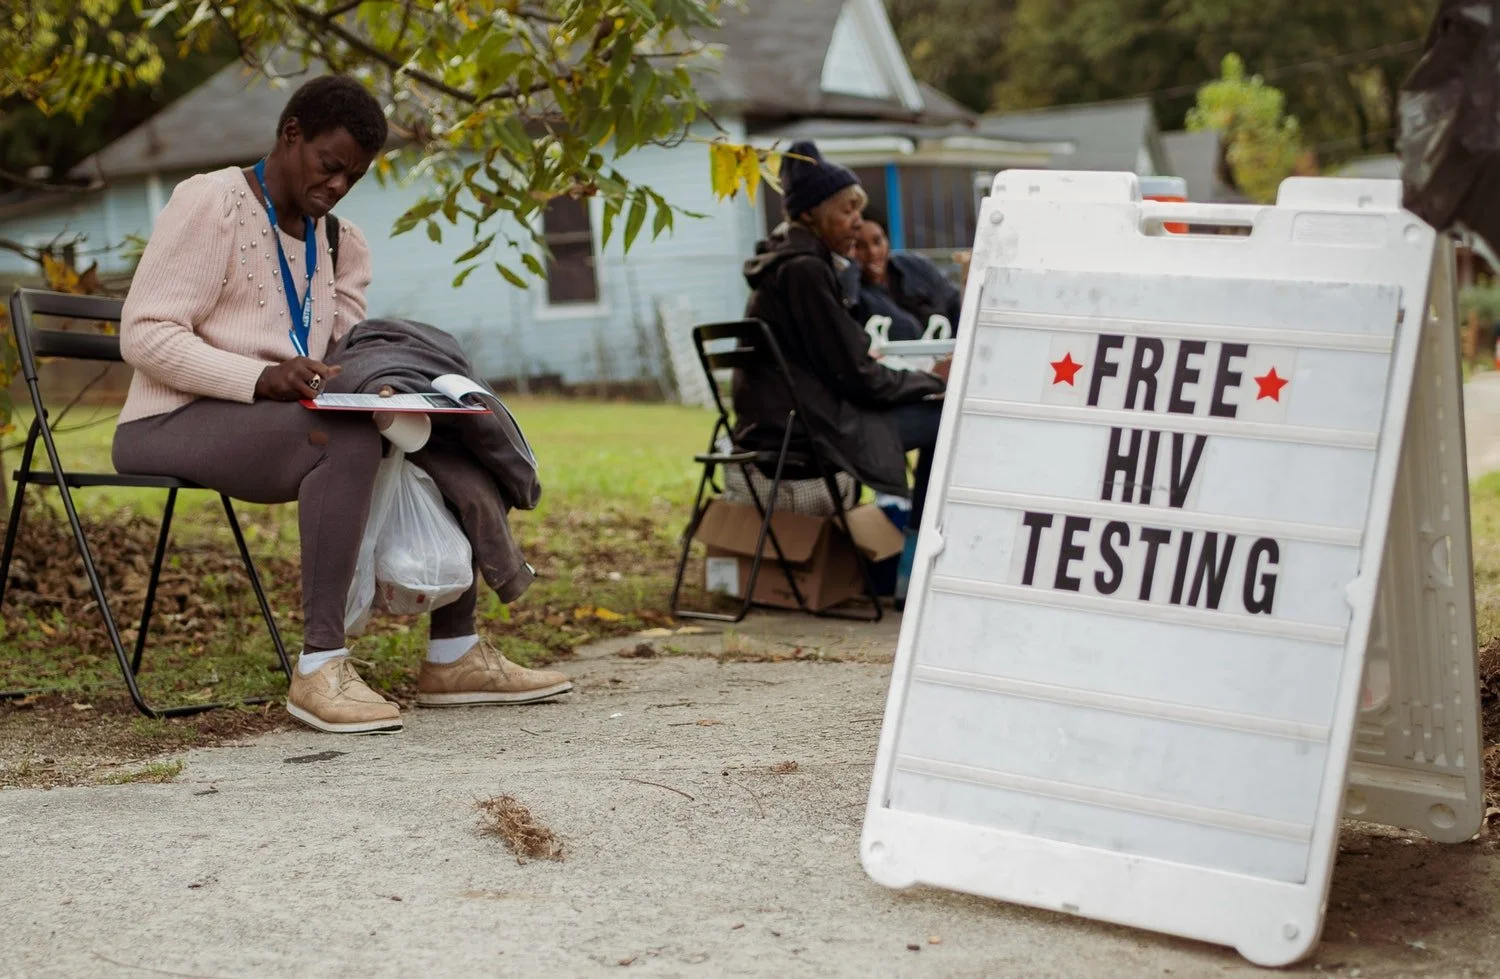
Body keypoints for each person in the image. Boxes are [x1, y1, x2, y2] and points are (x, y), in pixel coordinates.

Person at [112, 75, 571, 735]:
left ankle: (454, 653)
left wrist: (379, 386)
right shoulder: (209, 202)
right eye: (329, 166)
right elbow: (145, 335)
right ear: (290, 133)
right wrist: (262, 376)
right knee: (347, 437)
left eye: (352, 177)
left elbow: (334, 352)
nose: (335, 186)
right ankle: (320, 665)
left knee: (432, 429)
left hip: (274, 414)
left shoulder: (340, 242)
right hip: (170, 418)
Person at [735, 140, 948, 533]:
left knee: (932, 408)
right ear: (810, 214)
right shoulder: (804, 272)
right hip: (803, 431)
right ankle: (915, 564)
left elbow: (844, 363)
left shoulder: (788, 266)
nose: (856, 221)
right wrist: (932, 382)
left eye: (859, 211)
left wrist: (910, 381)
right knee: (946, 418)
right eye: (846, 210)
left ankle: (910, 554)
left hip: (784, 420)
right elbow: (857, 375)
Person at [850, 219, 964, 342]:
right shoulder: (853, 292)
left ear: (887, 240)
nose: (872, 251)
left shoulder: (916, 266)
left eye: (877, 241)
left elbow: (953, 301)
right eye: (860, 246)